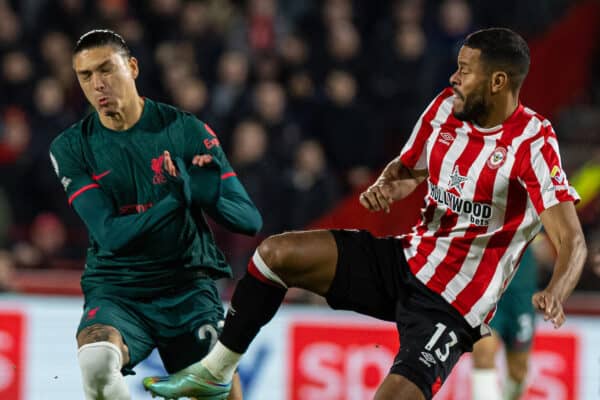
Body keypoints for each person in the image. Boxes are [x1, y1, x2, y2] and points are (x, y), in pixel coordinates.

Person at [144, 27, 588, 400]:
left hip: (451, 307)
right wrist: (388, 183)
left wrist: (557, 289)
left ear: (498, 82)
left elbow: (572, 241)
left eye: (465, 71)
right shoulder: (444, 110)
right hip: (405, 261)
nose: (454, 77)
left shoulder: (533, 145)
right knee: (275, 256)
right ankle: (215, 373)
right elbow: (408, 167)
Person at [49, 29, 262, 400]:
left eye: (106, 70)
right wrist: (179, 199)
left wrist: (206, 196)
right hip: (118, 289)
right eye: (86, 76)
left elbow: (249, 220)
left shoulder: (185, 130)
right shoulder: (71, 147)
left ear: (132, 68)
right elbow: (111, 235)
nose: (97, 84)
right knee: (97, 364)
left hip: (188, 288)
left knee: (221, 393)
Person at [471, 246, 539, 400]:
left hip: (521, 293)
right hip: (485, 287)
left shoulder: (542, 221)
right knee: (483, 353)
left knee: (518, 371)